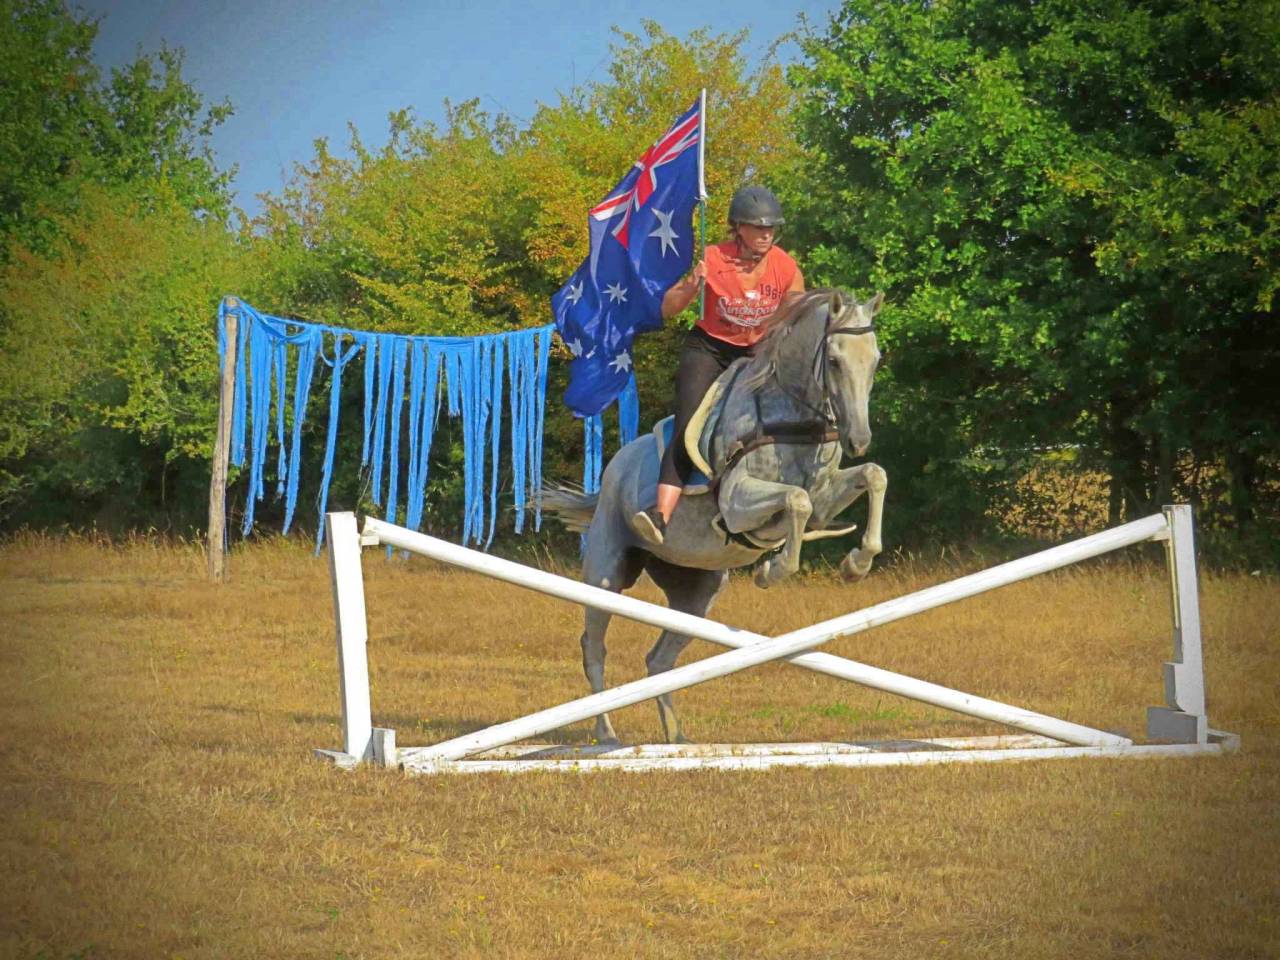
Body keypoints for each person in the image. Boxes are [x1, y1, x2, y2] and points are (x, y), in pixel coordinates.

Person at [634, 185, 805, 546]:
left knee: (787, 416)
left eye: (771, 228)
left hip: (757, 351)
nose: (766, 234)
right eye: (759, 228)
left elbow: (796, 311)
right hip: (709, 349)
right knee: (690, 424)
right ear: (738, 228)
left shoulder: (785, 266)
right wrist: (691, 287)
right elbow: (668, 308)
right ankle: (660, 515)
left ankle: (792, 509)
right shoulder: (712, 259)